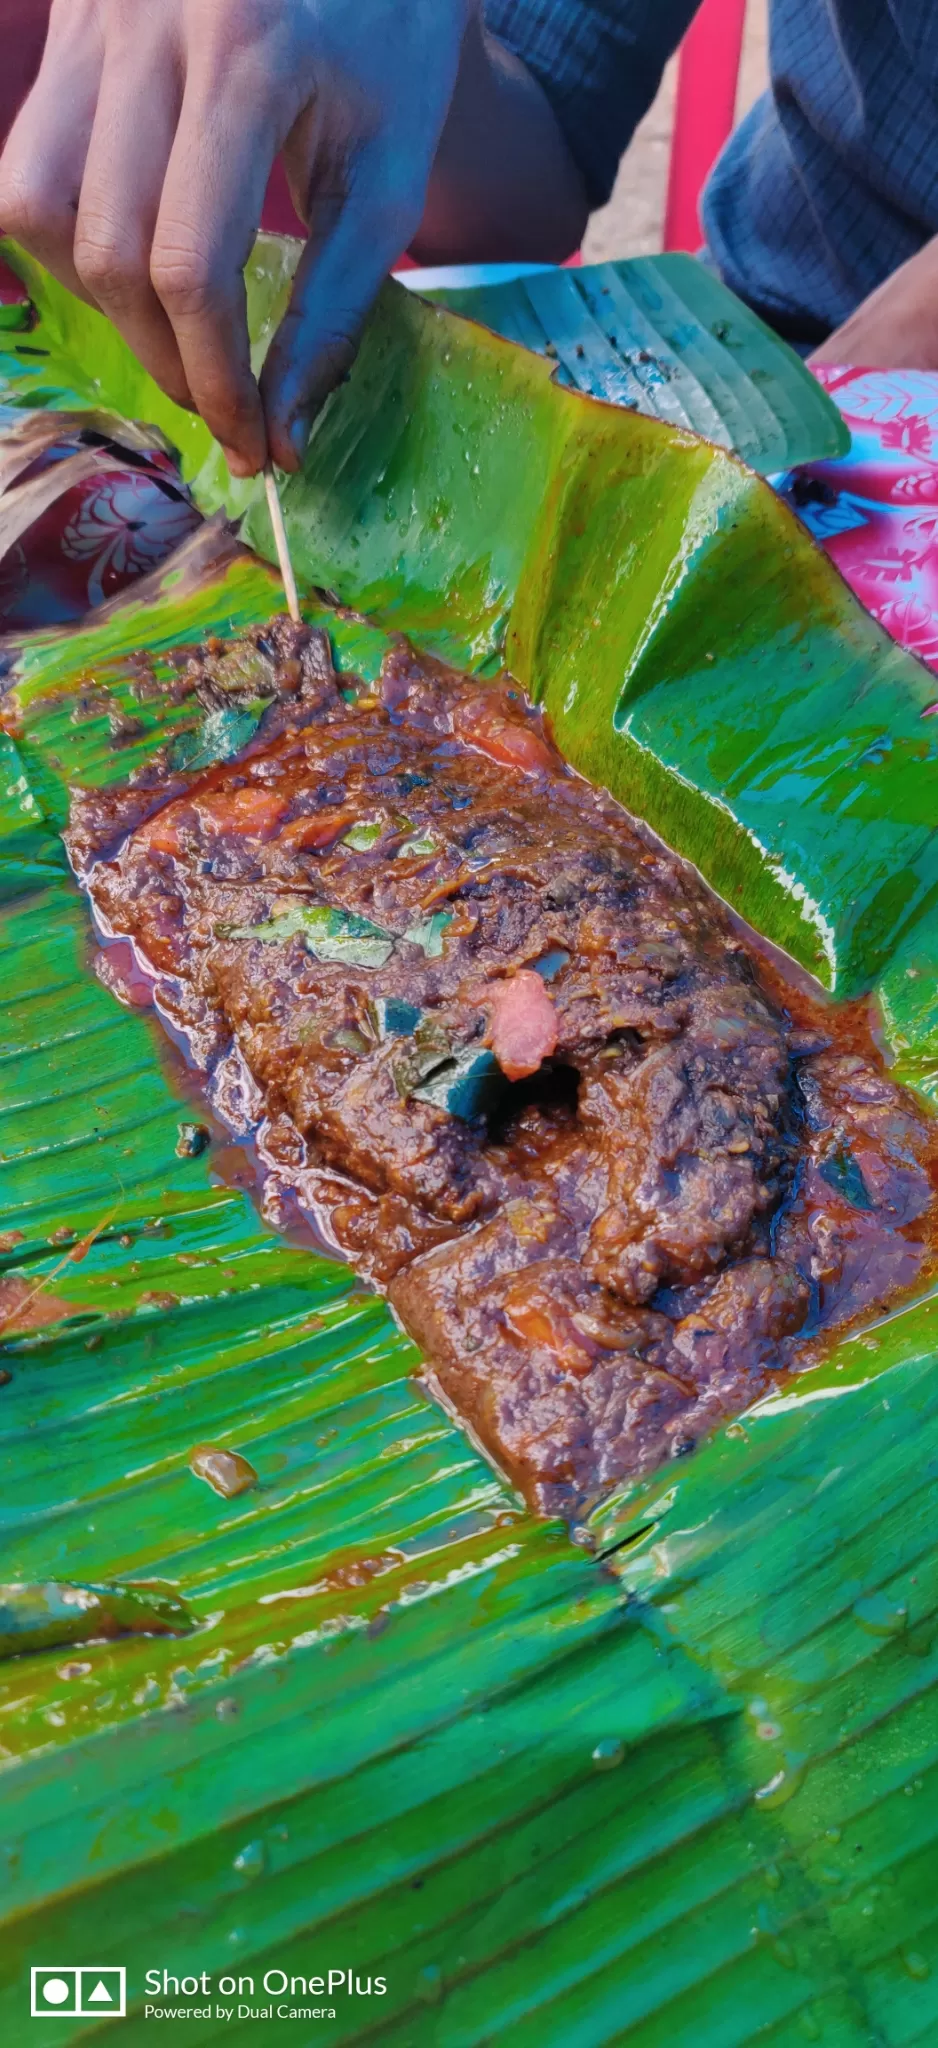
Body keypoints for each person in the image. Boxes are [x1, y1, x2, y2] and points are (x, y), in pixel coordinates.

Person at [1, 1, 936, 481]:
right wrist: (419, 37)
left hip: (824, 392)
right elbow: (536, 166)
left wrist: (886, 388)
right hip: (759, 334)